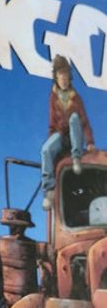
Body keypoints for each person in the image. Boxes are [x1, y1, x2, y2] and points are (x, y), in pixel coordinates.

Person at [41, 55, 94, 210]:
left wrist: (89, 142)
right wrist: (52, 144)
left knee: (75, 118)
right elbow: (52, 122)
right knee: (45, 150)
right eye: (60, 77)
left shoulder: (76, 98)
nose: (63, 80)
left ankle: (76, 157)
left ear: (69, 78)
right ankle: (49, 190)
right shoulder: (53, 97)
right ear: (56, 78)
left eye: (65, 77)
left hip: (74, 137)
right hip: (60, 135)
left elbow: (84, 121)